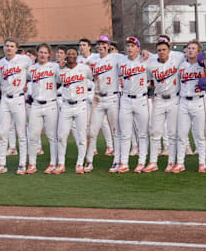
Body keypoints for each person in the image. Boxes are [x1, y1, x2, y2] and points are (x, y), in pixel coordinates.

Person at [146, 39, 183, 172]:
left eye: (164, 50)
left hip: (174, 99)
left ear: (169, 50)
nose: (161, 52)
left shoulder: (178, 59)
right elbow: (149, 80)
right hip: (159, 100)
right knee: (155, 132)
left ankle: (171, 162)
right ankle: (153, 162)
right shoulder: (151, 65)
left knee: (173, 133)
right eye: (159, 50)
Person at [54, 48, 93, 174]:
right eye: (69, 54)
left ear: (77, 56)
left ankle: (80, 164)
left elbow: (92, 79)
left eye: (73, 54)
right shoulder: (61, 70)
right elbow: (58, 83)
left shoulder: (84, 68)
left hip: (81, 104)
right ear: (65, 56)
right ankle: (61, 164)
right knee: (61, 136)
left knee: (81, 136)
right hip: (66, 105)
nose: (71, 56)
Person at [114, 37, 149, 173]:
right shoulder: (121, 61)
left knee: (142, 134)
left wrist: (147, 52)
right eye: (128, 45)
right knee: (125, 133)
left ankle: (141, 162)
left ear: (138, 48)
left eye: (133, 45)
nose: (130, 48)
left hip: (141, 99)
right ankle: (124, 163)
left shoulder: (146, 60)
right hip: (126, 99)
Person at [175, 40, 206, 173]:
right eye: (189, 48)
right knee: (182, 134)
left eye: (193, 48)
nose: (190, 50)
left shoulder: (203, 66)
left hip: (198, 101)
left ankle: (202, 163)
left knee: (200, 134)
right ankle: (180, 163)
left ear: (198, 51)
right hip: (184, 101)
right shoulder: (182, 66)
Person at [87, 36, 122, 167]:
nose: (101, 46)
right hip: (98, 98)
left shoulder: (116, 57)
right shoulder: (93, 60)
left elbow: (134, 58)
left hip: (112, 97)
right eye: (99, 44)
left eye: (104, 44)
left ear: (109, 46)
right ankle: (89, 160)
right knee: (92, 131)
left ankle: (117, 160)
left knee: (115, 131)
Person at [0, 38, 31, 170]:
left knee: (21, 133)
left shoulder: (24, 60)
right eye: (7, 46)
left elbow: (32, 74)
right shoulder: (1, 62)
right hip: (5, 99)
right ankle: (1, 164)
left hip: (18, 98)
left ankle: (22, 163)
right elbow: (0, 80)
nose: (9, 48)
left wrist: (28, 85)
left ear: (16, 48)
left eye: (12, 46)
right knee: (2, 133)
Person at [26, 43, 59, 174]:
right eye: (40, 52)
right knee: (33, 135)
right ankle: (32, 164)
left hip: (51, 104)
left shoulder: (54, 67)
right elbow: (26, 80)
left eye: (45, 52)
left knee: (52, 136)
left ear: (49, 54)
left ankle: (53, 163)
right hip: (36, 105)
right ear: (37, 53)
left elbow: (62, 80)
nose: (43, 55)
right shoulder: (31, 69)